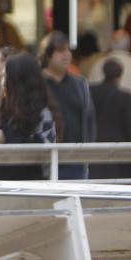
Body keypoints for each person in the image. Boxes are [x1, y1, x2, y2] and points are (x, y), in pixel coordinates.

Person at [0, 53, 60, 260]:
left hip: (28, 195)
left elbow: (42, 150)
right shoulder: (2, 107)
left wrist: (4, 138)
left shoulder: (42, 112)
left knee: (25, 259)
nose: (2, 82)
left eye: (7, 77)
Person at [40, 31, 96, 179]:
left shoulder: (80, 84)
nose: (66, 55)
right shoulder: (36, 84)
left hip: (76, 162)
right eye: (60, 51)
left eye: (68, 50)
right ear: (47, 55)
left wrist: (88, 153)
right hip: (44, 161)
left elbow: (89, 120)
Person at [89, 59, 131, 180]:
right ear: (119, 75)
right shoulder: (125, 97)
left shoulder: (89, 91)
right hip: (118, 155)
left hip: (91, 149)